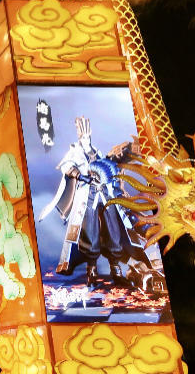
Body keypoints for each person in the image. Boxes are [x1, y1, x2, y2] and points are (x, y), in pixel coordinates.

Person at [38, 116, 159, 288]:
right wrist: (80, 175)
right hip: (88, 196)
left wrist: (118, 184)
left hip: (107, 195)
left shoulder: (98, 153)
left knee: (114, 231)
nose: (85, 136)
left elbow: (112, 168)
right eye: (82, 134)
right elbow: (66, 166)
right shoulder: (75, 151)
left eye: (87, 134)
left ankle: (116, 271)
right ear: (79, 135)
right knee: (90, 232)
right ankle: (92, 271)